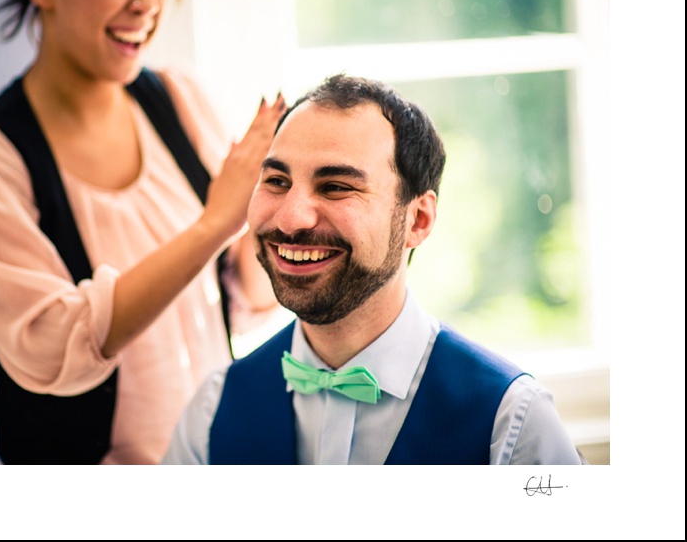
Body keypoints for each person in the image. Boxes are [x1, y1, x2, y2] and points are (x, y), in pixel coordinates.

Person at [0, 0, 285, 465]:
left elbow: (240, 297)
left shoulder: (180, 97)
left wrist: (268, 212)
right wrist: (213, 224)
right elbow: (54, 343)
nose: (147, 4)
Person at [163, 73, 584, 465]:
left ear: (417, 221)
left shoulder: (513, 424)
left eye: (336, 187)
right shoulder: (208, 414)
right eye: (276, 181)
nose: (291, 220)